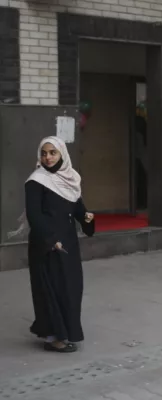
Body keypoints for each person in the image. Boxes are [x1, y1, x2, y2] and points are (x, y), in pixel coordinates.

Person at [19, 136, 95, 353]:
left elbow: (78, 208)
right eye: (44, 153)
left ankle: (67, 332)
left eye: (53, 153)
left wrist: (88, 218)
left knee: (70, 289)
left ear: (63, 154)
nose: (48, 157)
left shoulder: (70, 179)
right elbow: (35, 216)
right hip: (46, 245)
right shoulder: (36, 181)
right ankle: (55, 338)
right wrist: (51, 241)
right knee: (50, 290)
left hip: (68, 243)